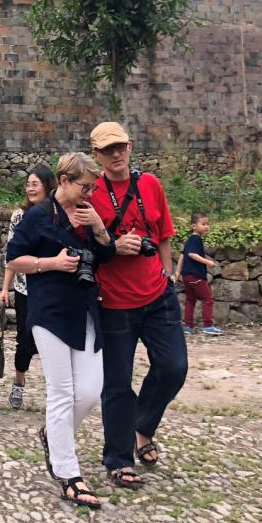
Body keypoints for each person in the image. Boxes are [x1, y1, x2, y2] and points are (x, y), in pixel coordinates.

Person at [6, 152, 115, 510]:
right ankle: (68, 474)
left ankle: (52, 434)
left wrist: (99, 227)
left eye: (93, 188)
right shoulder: (38, 216)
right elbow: (13, 258)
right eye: (85, 187)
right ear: (64, 181)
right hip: (49, 311)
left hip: (85, 309)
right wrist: (51, 263)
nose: (90, 194)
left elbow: (107, 256)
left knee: (90, 390)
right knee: (62, 391)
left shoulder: (87, 214)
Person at [87, 121, 187, 491]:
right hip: (114, 302)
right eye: (108, 149)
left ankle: (142, 426)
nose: (116, 154)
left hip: (157, 295)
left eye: (121, 147)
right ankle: (118, 459)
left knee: (174, 367)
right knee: (117, 383)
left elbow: (164, 235)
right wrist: (113, 247)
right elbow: (84, 247)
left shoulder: (150, 185)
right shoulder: (91, 192)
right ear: (96, 155)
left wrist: (167, 274)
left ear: (130, 147)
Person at [0, 165, 57, 409]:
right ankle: (19, 381)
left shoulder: (58, 214)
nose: (30, 188)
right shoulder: (19, 216)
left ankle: (56, 392)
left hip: (53, 288)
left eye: (35, 184)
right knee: (24, 339)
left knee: (54, 341)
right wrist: (5, 288)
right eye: (28, 184)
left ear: (47, 185)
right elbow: (12, 255)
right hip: (25, 288)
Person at [181, 213, 222, 336]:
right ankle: (208, 326)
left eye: (207, 224)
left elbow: (183, 255)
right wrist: (208, 262)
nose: (206, 226)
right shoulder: (196, 239)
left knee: (190, 300)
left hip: (187, 275)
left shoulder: (189, 239)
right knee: (207, 298)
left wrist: (177, 272)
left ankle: (188, 327)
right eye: (203, 224)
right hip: (196, 275)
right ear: (194, 226)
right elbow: (191, 254)